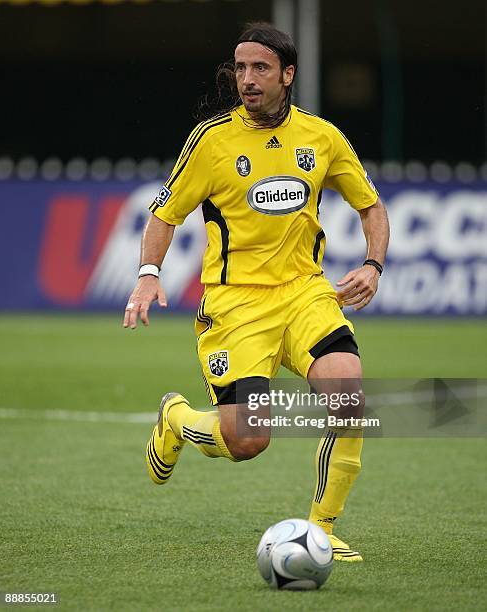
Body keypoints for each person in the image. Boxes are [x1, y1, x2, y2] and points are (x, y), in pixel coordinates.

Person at [123, 22, 389, 562]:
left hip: (304, 294)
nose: (247, 79)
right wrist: (148, 273)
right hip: (236, 305)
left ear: (288, 75)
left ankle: (323, 528)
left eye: (261, 68)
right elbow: (165, 213)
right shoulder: (212, 140)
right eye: (240, 68)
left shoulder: (322, 137)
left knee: (349, 395)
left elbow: (371, 206)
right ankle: (177, 419)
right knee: (248, 441)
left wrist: (373, 263)